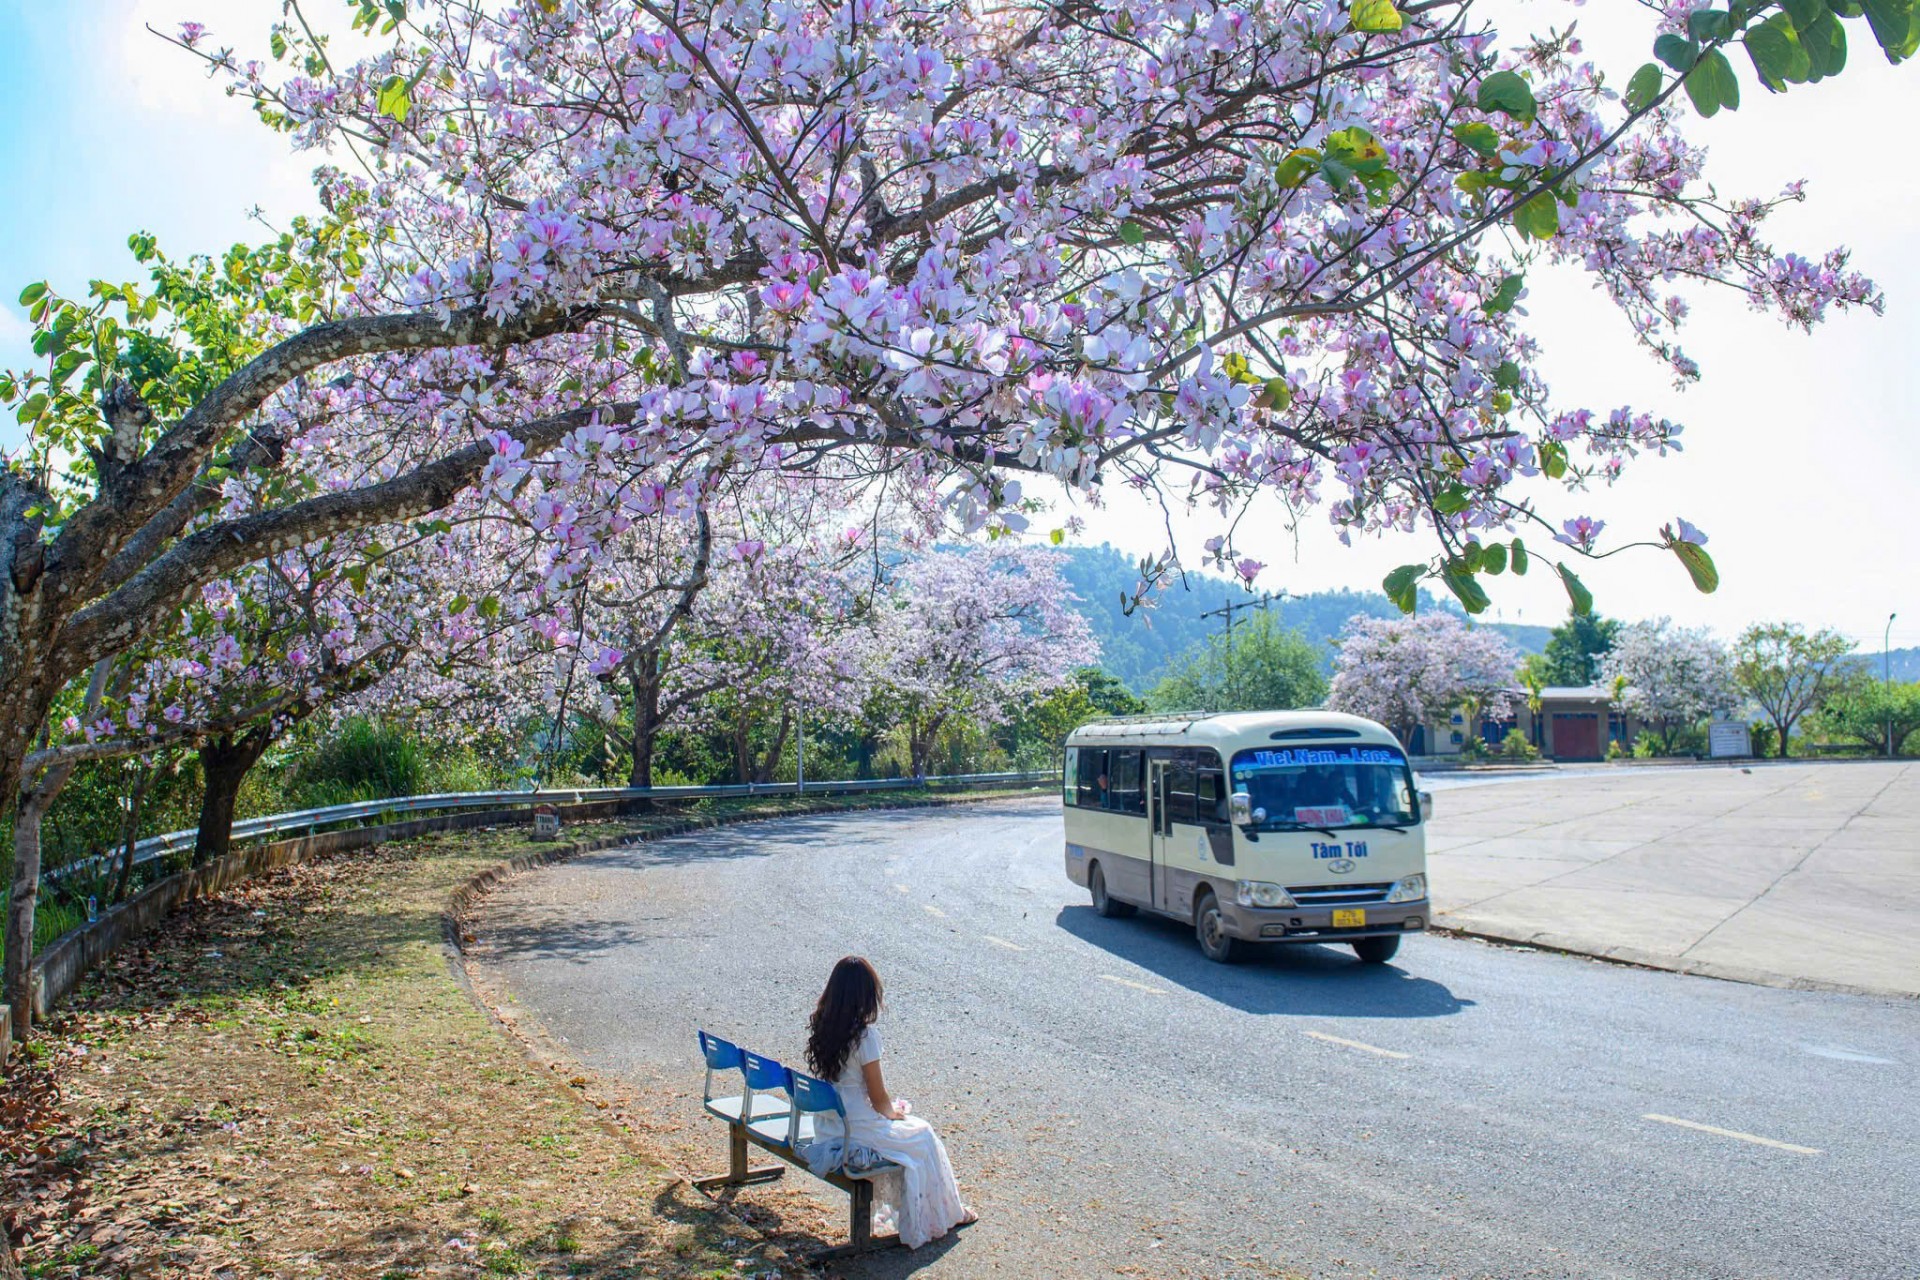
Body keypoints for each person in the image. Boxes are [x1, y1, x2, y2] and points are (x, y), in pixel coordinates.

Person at [805, 956, 975, 1248]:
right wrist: (894, 1113)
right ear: (866, 996)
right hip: (856, 1130)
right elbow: (878, 1098)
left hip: (827, 1127)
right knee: (923, 1134)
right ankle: (942, 1214)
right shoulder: (864, 1037)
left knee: (915, 1135)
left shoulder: (821, 1027)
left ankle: (934, 1213)